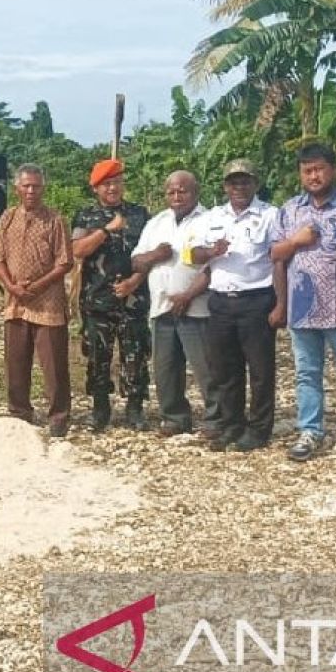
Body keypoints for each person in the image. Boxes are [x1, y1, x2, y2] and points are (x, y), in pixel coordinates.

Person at [271, 143, 336, 466]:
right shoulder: (289, 210)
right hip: (303, 310)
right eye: (307, 170)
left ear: (334, 169)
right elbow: (275, 256)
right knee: (306, 375)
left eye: (319, 168)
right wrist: (282, 303)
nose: (313, 176)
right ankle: (310, 431)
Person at [189, 159, 282, 452]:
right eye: (233, 182)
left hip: (256, 300)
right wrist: (210, 251)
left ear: (255, 183)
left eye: (244, 181)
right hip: (220, 301)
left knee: (260, 370)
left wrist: (280, 304)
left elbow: (279, 258)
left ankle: (258, 430)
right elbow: (192, 253)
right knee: (225, 369)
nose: (238, 187)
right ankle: (231, 426)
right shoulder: (213, 216)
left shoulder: (270, 215)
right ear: (225, 186)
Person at [131, 171, 220, 438]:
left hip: (197, 308)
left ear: (196, 192)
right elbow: (136, 261)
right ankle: (175, 417)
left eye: (183, 191)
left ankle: (216, 419)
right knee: (165, 367)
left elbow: (215, 265)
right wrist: (156, 254)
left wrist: (187, 296)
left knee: (206, 367)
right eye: (171, 191)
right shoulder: (157, 223)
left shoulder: (211, 220)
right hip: (161, 307)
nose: (177, 196)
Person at [0, 163, 74, 437]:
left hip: (48, 302)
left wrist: (36, 287)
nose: (31, 191)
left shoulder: (55, 220)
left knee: (54, 364)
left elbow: (64, 263)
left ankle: (59, 416)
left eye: (36, 186)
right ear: (17, 189)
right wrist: (12, 287)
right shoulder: (8, 217)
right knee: (15, 361)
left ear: (43, 188)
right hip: (16, 302)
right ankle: (19, 413)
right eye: (26, 186)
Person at [71, 159, 152, 431]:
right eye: (106, 184)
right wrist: (106, 231)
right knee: (97, 354)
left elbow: (150, 255)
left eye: (117, 182)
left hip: (134, 298)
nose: (113, 188)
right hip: (97, 300)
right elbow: (78, 250)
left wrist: (134, 281)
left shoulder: (140, 214)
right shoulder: (85, 216)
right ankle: (100, 408)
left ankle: (135, 408)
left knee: (136, 354)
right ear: (95, 188)